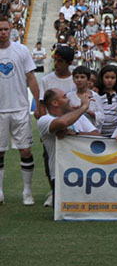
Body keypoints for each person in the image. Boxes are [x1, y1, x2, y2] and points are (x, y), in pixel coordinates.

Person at [0, 16, 39, 205]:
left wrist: (38, 104)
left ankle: (27, 192)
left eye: (6, 29)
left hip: (20, 109)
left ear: (11, 30)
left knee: (25, 151)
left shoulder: (21, 50)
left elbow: (31, 78)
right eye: (0, 29)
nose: (3, 32)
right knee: (0, 153)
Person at [37, 89, 99, 207]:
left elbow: (97, 136)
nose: (69, 99)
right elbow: (63, 123)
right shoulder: (44, 120)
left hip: (85, 172)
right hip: (61, 174)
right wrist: (84, 107)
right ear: (55, 103)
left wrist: (76, 135)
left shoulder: (77, 117)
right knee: (66, 211)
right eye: (65, 97)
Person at [37, 45, 76, 116]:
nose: (55, 63)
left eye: (60, 61)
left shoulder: (75, 81)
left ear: (69, 63)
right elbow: (42, 104)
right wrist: (46, 123)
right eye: (55, 59)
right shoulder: (46, 80)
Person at [97, 65, 117, 138]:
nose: (109, 80)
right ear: (101, 78)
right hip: (98, 132)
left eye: (112, 78)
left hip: (115, 133)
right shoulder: (97, 95)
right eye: (107, 77)